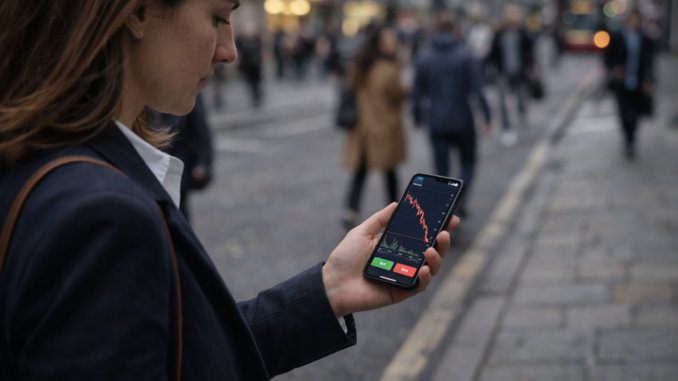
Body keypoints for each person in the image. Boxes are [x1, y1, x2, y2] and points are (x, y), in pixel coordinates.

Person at [0, 0, 460, 379]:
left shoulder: (37, 158)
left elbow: (188, 356)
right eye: (218, 17)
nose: (230, 50)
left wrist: (328, 291)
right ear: (136, 13)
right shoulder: (101, 217)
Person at [412, 14, 492, 217]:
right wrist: (487, 117)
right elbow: (477, 89)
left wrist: (417, 116)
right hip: (462, 120)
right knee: (468, 163)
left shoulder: (424, 56)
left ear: (435, 31)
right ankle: (460, 200)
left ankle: (445, 209)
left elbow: (416, 92)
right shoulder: (466, 55)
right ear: (455, 31)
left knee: (441, 171)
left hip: (436, 121)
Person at [342, 26, 408, 230]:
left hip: (363, 128)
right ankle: (395, 211)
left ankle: (350, 211)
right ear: (380, 45)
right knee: (389, 172)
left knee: (360, 172)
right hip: (384, 127)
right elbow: (399, 93)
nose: (394, 44)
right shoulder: (388, 69)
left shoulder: (361, 65)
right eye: (390, 41)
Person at [604, 8, 655, 159]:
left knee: (635, 114)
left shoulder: (645, 39)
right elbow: (607, 59)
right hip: (621, 84)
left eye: (636, 19)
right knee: (623, 113)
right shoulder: (617, 37)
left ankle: (631, 140)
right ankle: (627, 137)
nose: (634, 22)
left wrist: (650, 80)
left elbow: (650, 62)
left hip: (638, 82)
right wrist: (615, 70)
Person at [154, 93, 213, 221]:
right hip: (155, 165)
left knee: (178, 212)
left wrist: (202, 162)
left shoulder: (188, 89)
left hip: (178, 162)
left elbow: (200, 128)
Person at [487, 5, 534, 147]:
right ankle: (506, 128)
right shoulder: (499, 34)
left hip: (520, 72)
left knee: (521, 100)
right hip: (503, 72)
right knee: (502, 102)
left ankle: (522, 117)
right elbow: (493, 53)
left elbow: (529, 51)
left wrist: (530, 67)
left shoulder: (522, 33)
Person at [236, 31, 263, 107]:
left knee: (253, 84)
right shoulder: (254, 45)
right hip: (253, 68)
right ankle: (256, 95)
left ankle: (256, 95)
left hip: (252, 69)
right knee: (255, 83)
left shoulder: (247, 46)